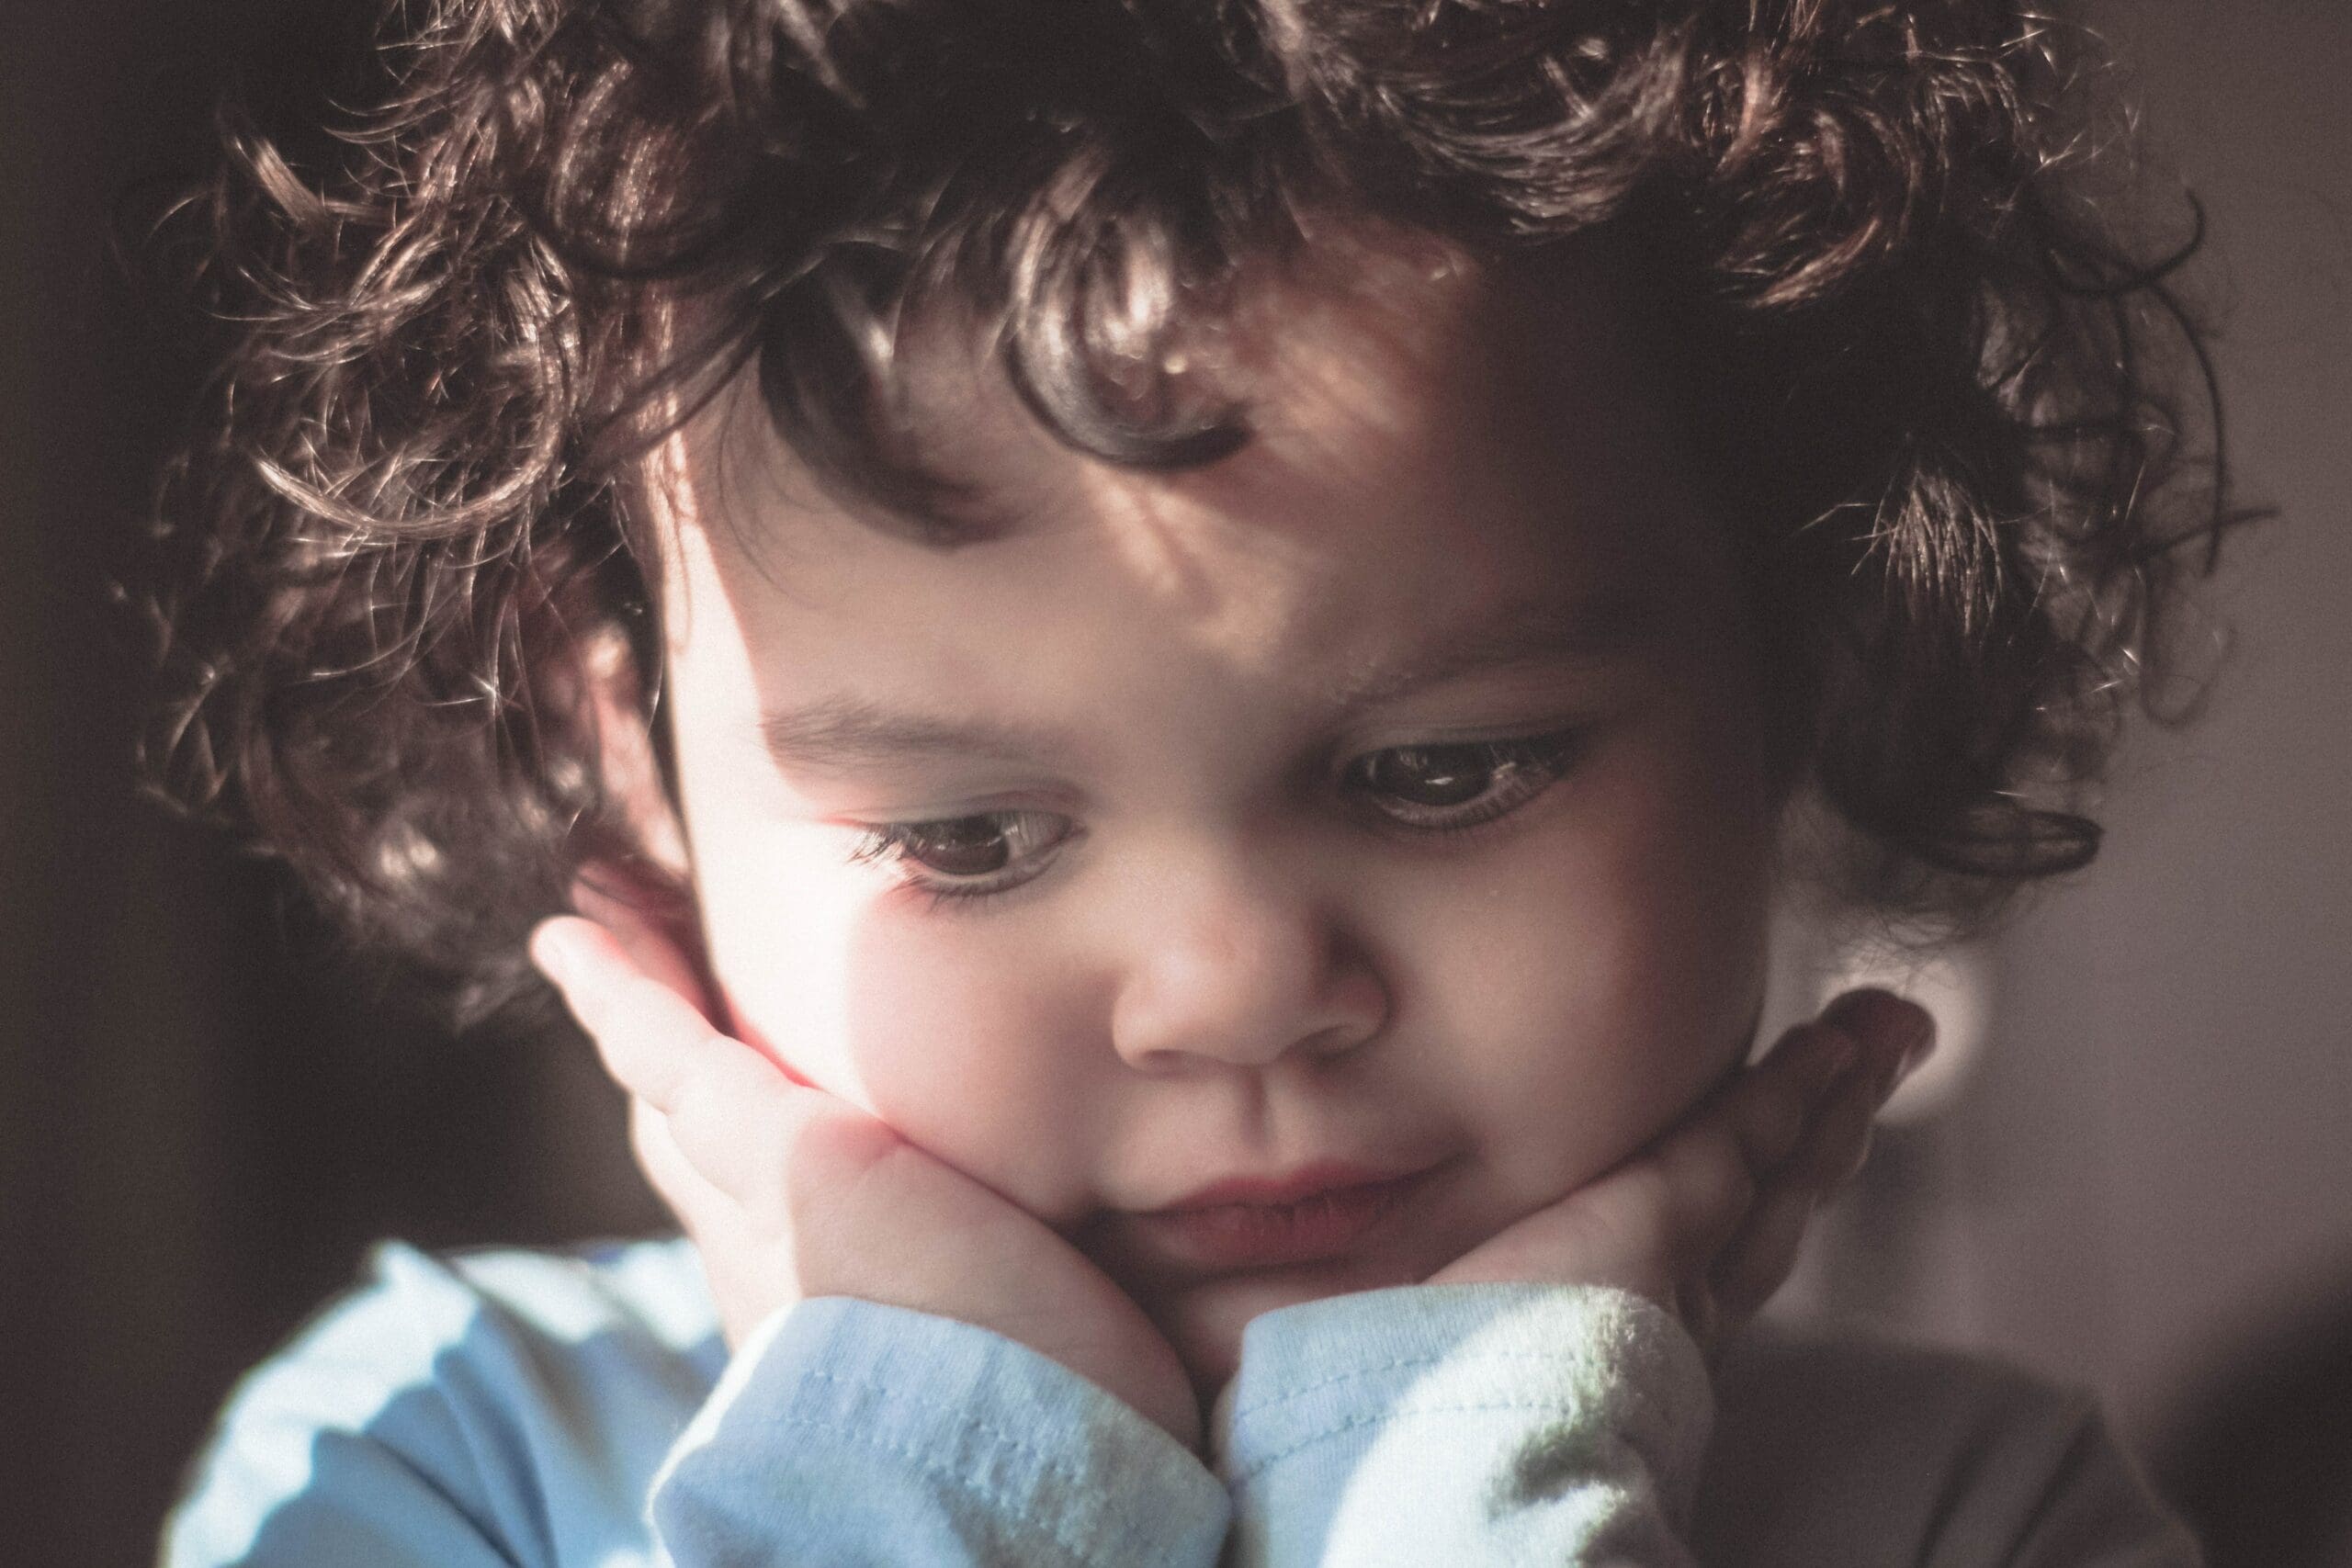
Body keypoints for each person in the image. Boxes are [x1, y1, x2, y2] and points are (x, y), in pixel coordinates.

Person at [150, 0, 2230, 1561]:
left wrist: (1474, 1472)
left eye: (1442, 767)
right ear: (637, 764)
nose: (1229, 987)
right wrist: (939, 1463)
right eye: (964, 835)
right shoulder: (432, 1458)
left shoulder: (1983, 1513)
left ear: (1790, 661)